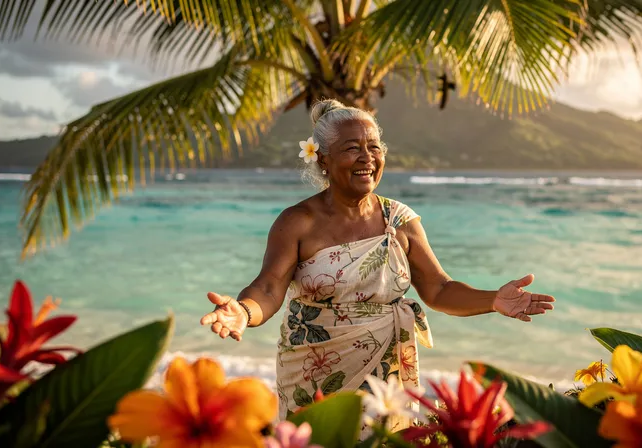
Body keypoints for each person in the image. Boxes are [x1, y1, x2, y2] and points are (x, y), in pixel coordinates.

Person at [201, 99, 556, 426]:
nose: (367, 157)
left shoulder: (400, 220)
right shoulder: (297, 222)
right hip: (313, 372)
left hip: (386, 374)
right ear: (322, 159)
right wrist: (244, 312)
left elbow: (438, 288)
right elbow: (268, 287)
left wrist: (493, 299)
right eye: (352, 148)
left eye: (374, 147)